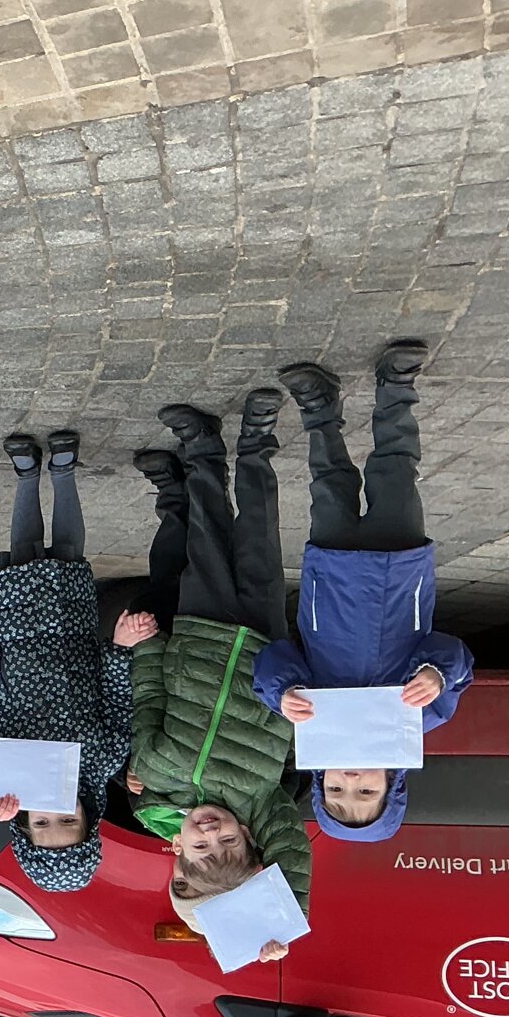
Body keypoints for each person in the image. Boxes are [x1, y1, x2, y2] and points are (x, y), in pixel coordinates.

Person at [253, 341, 474, 842]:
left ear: (320, 782)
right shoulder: (420, 721)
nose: (350, 783)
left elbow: (274, 657)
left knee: (328, 485)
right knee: (394, 470)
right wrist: (436, 675)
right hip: (400, 574)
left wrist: (282, 691)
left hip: (331, 581)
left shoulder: (305, 720)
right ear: (392, 784)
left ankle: (319, 409)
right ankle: (396, 389)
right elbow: (457, 657)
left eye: (335, 793)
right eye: (366, 793)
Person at [117, 390, 310, 933]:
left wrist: (146, 645)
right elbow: (292, 851)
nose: (212, 832)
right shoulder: (261, 799)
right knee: (257, 539)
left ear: (178, 846)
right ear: (249, 836)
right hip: (265, 646)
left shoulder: (153, 772)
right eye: (227, 841)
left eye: (202, 846)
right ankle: (255, 442)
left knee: (205, 536)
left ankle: (201, 446)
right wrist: (280, 923)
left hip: (198, 635)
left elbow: (149, 696)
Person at [0, 433, 130, 893]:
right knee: (68, 555)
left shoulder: (1, 792)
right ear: (87, 814)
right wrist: (120, 650)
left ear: (24, 826)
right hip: (71, 636)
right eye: (67, 817)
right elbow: (120, 700)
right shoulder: (101, 762)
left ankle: (26, 476)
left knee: (21, 555)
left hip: (11, 646)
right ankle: (63, 473)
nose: (50, 806)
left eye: (42, 820)